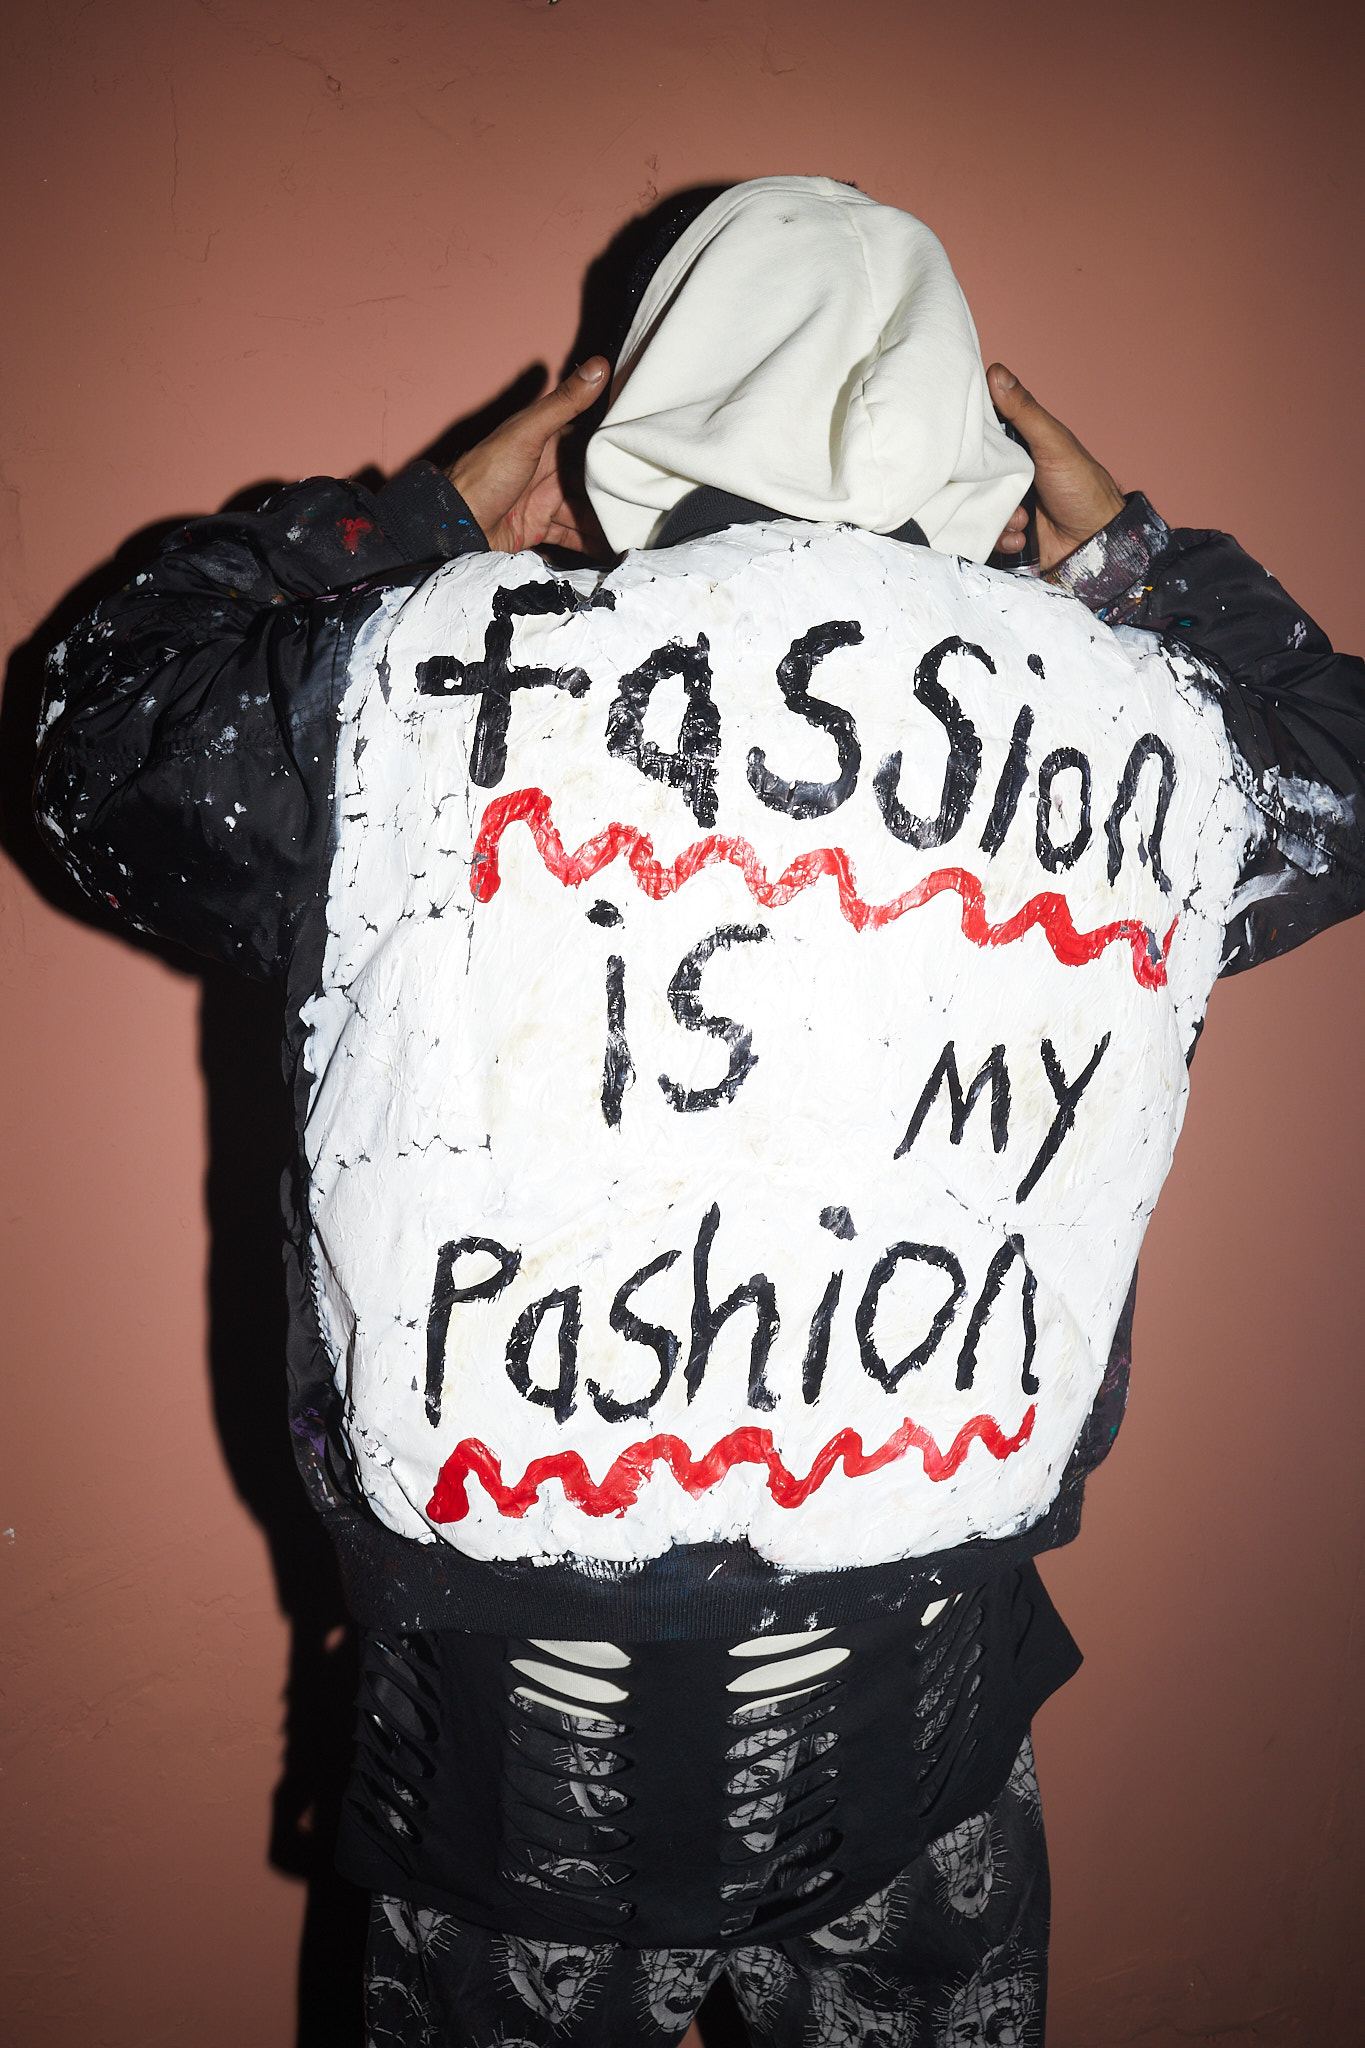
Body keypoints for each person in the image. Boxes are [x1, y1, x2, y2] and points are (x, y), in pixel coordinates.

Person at [34, 177, 1365, 2047]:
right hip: (927, 1712)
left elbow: (89, 739)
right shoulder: (1140, 730)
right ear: (967, 445)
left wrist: (415, 519)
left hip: (509, 1742)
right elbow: (1341, 773)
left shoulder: (415, 683)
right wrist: (1133, 563)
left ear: (640, 420)